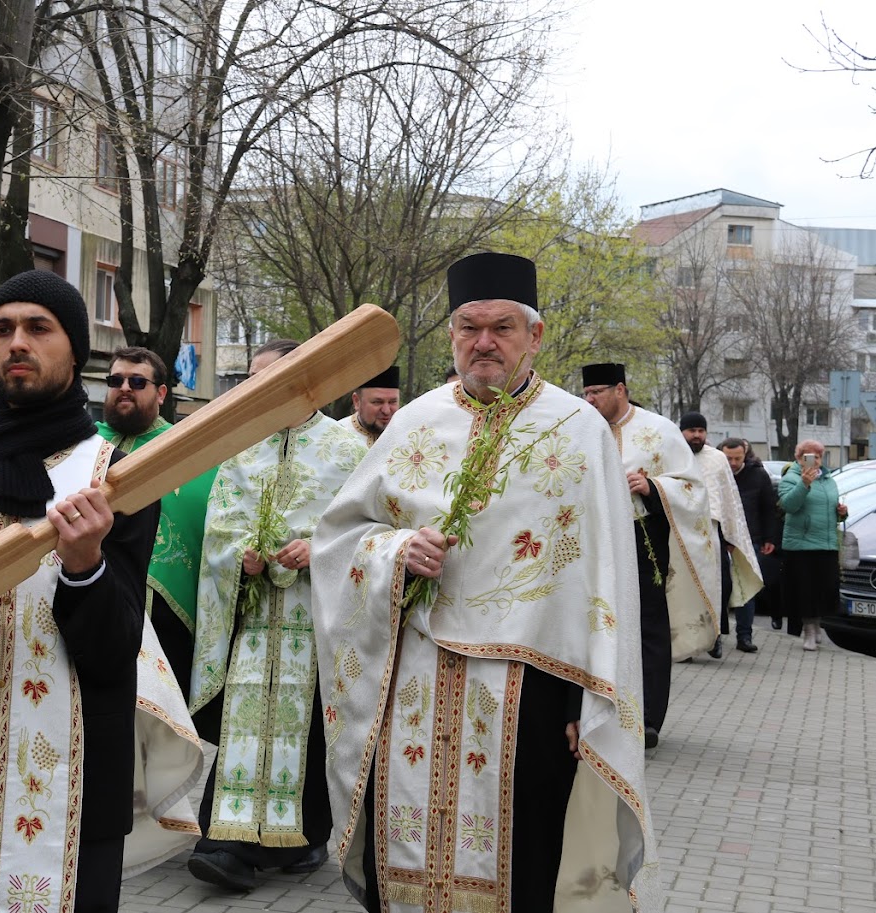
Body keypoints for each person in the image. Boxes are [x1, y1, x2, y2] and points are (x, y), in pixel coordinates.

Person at [313, 252, 667, 913]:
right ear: (451, 334)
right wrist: (395, 550)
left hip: (531, 689)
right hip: (414, 678)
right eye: (468, 327)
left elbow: (607, 579)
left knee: (521, 858)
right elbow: (338, 540)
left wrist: (584, 704)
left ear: (535, 336)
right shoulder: (415, 422)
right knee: (403, 849)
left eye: (501, 327)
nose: (483, 342)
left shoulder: (578, 429)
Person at [0, 270, 197, 912]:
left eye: (37, 328)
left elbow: (117, 647)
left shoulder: (117, 476)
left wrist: (85, 566)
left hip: (76, 785)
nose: (17, 342)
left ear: (75, 350)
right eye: (3, 329)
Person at [186, 338, 367, 893]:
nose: (260, 388)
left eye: (274, 376)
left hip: (318, 619)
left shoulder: (348, 450)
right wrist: (238, 556)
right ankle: (228, 842)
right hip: (253, 616)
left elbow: (368, 533)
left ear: (307, 380)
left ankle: (302, 838)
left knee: (307, 721)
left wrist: (320, 550)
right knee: (246, 716)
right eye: (254, 378)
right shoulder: (242, 449)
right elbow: (219, 529)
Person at [582, 364, 718, 748]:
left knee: (647, 628)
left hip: (643, 539)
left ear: (620, 389)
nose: (590, 401)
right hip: (594, 540)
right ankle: (596, 711)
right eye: (586, 394)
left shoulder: (659, 430)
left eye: (597, 392)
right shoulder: (582, 427)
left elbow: (693, 489)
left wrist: (652, 486)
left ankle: (648, 718)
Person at [96, 345, 216, 698]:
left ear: (161, 393)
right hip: (92, 596)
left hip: (165, 611)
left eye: (137, 381)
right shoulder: (86, 446)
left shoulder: (186, 449)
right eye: (116, 380)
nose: (125, 388)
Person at [680, 412, 763, 657]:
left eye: (701, 430)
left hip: (711, 532)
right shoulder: (672, 453)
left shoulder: (717, 459)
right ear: (682, 431)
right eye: (691, 430)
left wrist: (729, 536)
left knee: (718, 586)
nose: (696, 435)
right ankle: (684, 645)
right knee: (684, 589)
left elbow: (729, 499)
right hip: (680, 530)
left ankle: (714, 636)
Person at [778, 439, 847, 651]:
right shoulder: (791, 478)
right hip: (801, 545)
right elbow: (788, 505)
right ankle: (808, 630)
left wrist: (841, 513)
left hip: (826, 543)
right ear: (799, 459)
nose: (814, 461)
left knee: (824, 589)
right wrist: (804, 484)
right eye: (808, 457)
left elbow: (831, 512)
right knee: (806, 591)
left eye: (817, 457)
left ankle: (816, 625)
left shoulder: (828, 480)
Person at [720, 438, 779, 652]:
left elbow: (768, 508)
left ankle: (744, 636)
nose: (733, 463)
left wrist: (769, 538)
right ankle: (715, 636)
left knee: (746, 589)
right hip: (720, 540)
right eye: (729, 458)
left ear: (745, 455)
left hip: (749, 539)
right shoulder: (716, 474)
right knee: (720, 589)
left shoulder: (758, 475)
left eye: (738, 458)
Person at [340, 366, 401, 446]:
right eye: (377, 402)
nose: (386, 411)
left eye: (392, 402)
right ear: (357, 401)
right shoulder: (336, 437)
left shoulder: (408, 436)